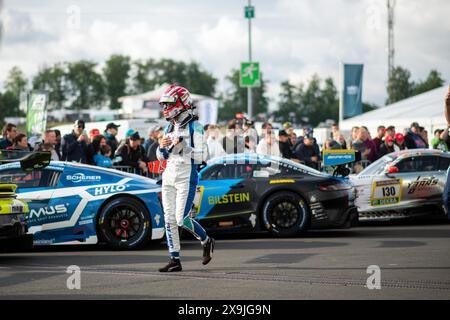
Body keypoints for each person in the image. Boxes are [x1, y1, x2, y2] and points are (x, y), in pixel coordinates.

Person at [156, 84, 214, 272]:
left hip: (186, 176)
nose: (165, 108)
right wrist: (161, 147)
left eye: (168, 104)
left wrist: (183, 147)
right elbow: (161, 156)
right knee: (169, 219)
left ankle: (206, 240)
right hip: (169, 175)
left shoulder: (195, 126)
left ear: (181, 103)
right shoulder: (168, 127)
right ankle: (174, 259)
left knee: (181, 219)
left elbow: (202, 156)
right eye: (163, 105)